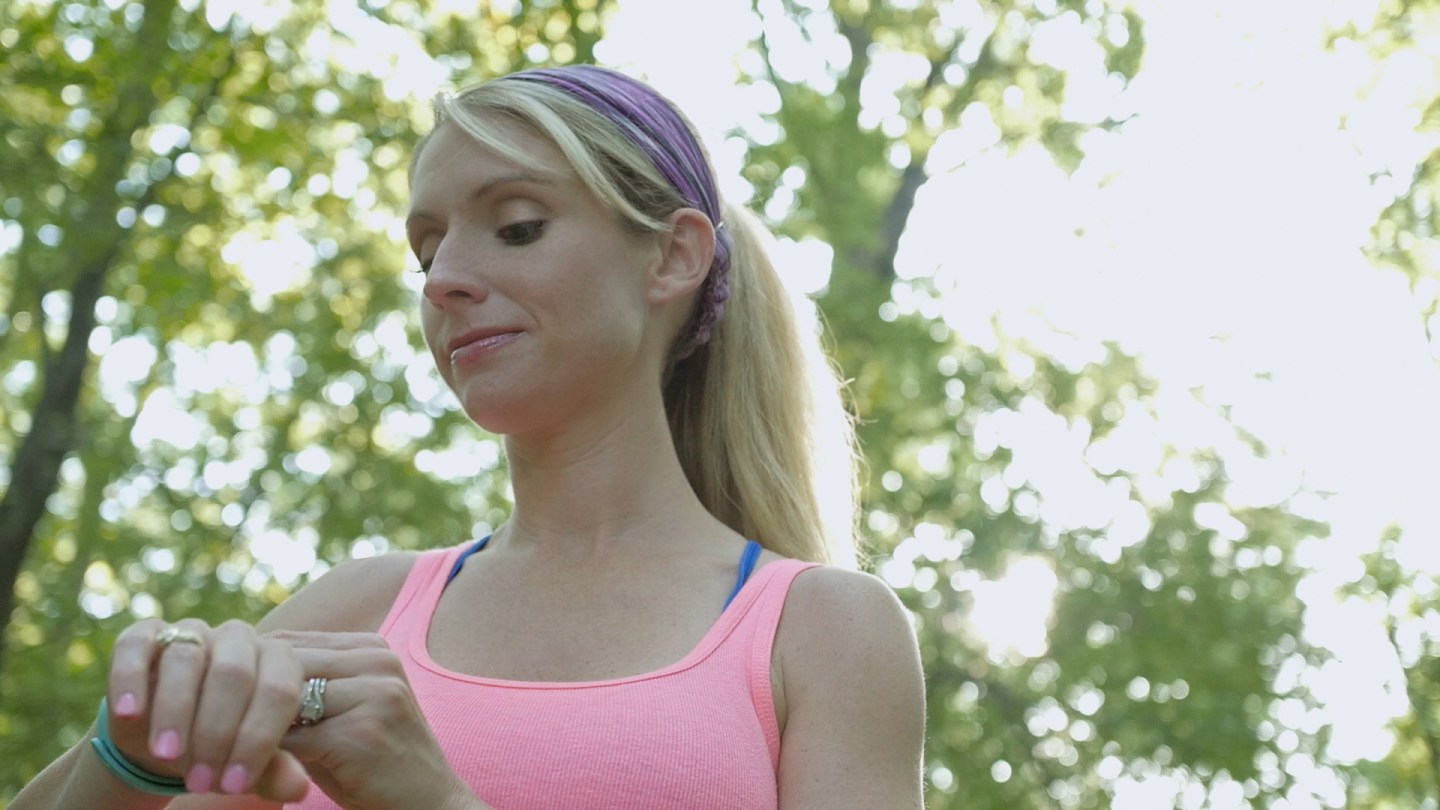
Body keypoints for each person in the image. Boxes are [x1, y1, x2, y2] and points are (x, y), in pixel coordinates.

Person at [13, 64, 926, 809]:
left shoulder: (822, 631)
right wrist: (131, 758)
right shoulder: (354, 608)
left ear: (673, 255)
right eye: (426, 250)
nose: (443, 278)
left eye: (517, 228)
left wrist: (431, 800)